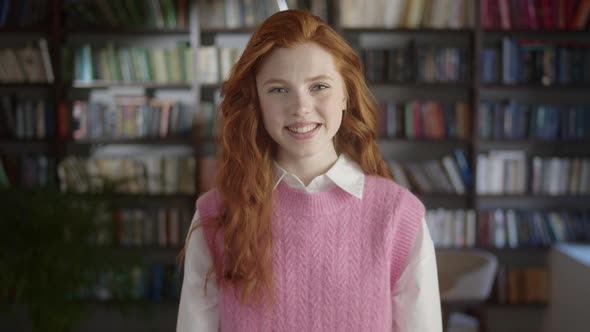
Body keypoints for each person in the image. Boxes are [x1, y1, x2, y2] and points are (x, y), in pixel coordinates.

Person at [177, 9, 442, 332]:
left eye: (319, 87)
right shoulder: (217, 215)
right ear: (256, 102)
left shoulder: (399, 216)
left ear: (346, 94)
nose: (300, 107)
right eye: (278, 89)